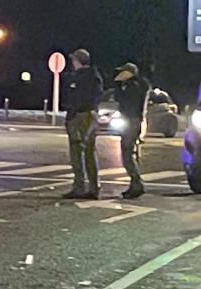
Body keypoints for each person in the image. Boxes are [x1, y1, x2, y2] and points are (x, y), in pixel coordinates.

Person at [62, 48, 103, 200]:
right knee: (90, 153)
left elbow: (76, 98)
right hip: (89, 115)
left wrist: (73, 111)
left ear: (77, 61)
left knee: (77, 152)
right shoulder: (94, 76)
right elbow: (96, 96)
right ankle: (93, 187)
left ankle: (80, 186)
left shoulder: (80, 78)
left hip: (80, 116)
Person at [113, 62, 150, 199]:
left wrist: (117, 86)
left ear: (130, 73)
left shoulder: (133, 86)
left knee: (127, 154)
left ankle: (136, 184)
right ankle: (135, 184)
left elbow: (124, 101)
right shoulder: (139, 85)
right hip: (134, 121)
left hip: (131, 121)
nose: (120, 75)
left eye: (123, 72)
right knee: (130, 153)